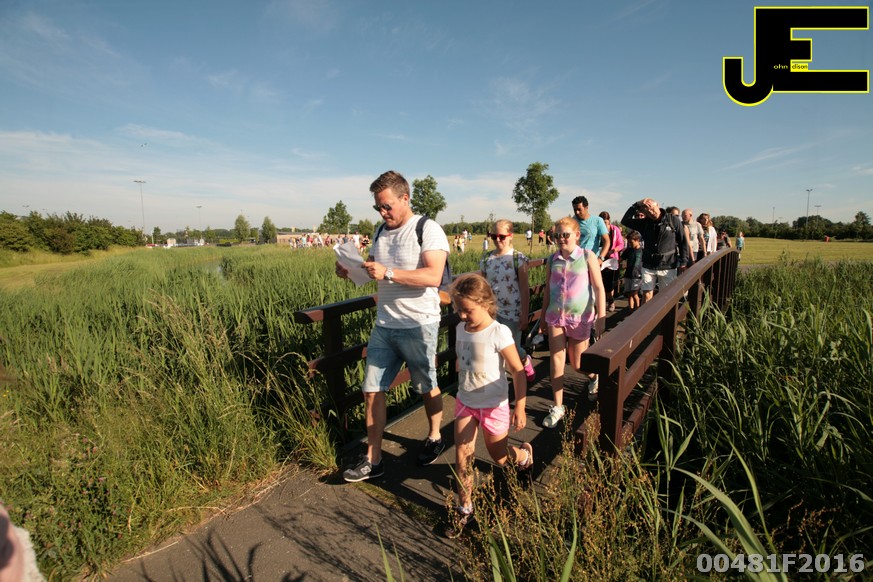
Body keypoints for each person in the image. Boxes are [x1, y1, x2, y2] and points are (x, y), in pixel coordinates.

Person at [336, 170, 450, 482]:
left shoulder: (428, 229)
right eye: (378, 207)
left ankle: (435, 436)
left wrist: (387, 272)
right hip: (384, 325)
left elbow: (433, 276)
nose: (382, 212)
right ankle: (373, 460)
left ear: (405, 198)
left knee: (426, 385)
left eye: (387, 206)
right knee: (371, 389)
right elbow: (372, 270)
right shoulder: (379, 232)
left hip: (419, 323)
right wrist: (350, 270)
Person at [445, 273, 533, 538]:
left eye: (467, 310)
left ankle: (524, 456)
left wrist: (520, 407)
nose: (462, 316)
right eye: (459, 310)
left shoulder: (499, 332)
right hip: (466, 401)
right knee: (463, 456)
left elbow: (517, 371)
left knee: (500, 457)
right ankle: (465, 508)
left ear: (484, 303)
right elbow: (464, 357)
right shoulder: (461, 329)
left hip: (493, 405)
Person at [538, 217, 607, 428]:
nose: (561, 239)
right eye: (557, 235)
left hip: (579, 318)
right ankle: (558, 406)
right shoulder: (553, 259)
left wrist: (601, 317)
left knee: (577, 364)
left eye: (565, 235)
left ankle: (594, 377)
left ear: (577, 235)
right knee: (557, 360)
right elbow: (548, 291)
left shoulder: (587, 256)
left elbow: (599, 288)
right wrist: (542, 317)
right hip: (555, 316)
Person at [480, 219, 536, 383]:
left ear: (511, 236)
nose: (497, 240)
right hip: (492, 312)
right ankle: (499, 381)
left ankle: (525, 360)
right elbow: (483, 287)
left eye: (502, 236)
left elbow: (524, 289)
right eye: (494, 236)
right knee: (494, 347)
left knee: (513, 348)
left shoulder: (518, 258)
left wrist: (524, 315)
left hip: (513, 312)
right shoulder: (487, 259)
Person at [621, 198, 689, 304]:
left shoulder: (672, 220)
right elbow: (625, 221)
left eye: (652, 209)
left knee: (666, 296)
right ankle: (646, 315)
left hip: (668, 264)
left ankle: (664, 315)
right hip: (649, 264)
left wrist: (684, 262)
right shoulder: (644, 223)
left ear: (657, 205)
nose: (651, 212)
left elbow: (682, 241)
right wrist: (636, 205)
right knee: (647, 295)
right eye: (647, 212)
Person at [598, 211, 625, 312]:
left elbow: (621, 244)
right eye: (602, 223)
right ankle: (602, 302)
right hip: (600, 258)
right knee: (599, 281)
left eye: (605, 222)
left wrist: (614, 250)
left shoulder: (615, 230)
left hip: (611, 259)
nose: (604, 225)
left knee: (609, 281)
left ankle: (610, 300)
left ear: (609, 221)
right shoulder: (598, 230)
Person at [572, 196, 611, 264]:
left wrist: (601, 258)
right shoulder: (572, 221)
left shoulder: (597, 221)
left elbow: (606, 241)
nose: (577, 212)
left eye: (579, 209)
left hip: (592, 261)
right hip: (576, 261)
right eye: (575, 210)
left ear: (586, 208)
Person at [622, 230, 643, 311]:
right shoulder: (629, 250)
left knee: (634, 293)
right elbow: (622, 258)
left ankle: (637, 309)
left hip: (638, 275)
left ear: (637, 240)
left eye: (632, 242)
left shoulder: (642, 251)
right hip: (628, 274)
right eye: (629, 242)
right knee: (629, 294)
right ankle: (630, 310)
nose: (630, 244)